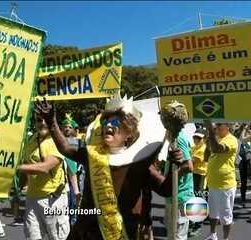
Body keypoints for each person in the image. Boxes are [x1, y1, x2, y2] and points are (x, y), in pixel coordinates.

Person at [34, 95, 182, 239]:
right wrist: (51, 122)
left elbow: (166, 189)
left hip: (121, 232)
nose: (109, 125)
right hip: (87, 230)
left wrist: (175, 167)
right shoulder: (92, 155)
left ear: (129, 133)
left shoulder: (138, 162)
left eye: (116, 122)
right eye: (106, 122)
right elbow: (66, 148)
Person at [17, 118, 70, 240]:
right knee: (32, 236)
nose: (42, 123)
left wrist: (16, 168)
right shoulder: (32, 139)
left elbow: (45, 167)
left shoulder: (56, 140)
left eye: (46, 119)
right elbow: (26, 162)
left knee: (57, 237)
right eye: (39, 120)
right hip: (32, 198)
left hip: (52, 200)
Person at [160, 101, 194, 240]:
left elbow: (188, 166)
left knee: (177, 236)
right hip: (174, 195)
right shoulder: (174, 137)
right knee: (172, 233)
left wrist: (169, 179)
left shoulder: (179, 139)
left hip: (179, 195)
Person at [204, 122, 238, 240]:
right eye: (215, 125)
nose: (216, 127)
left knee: (225, 216)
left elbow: (218, 149)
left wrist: (211, 134)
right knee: (213, 213)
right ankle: (213, 235)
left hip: (225, 185)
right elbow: (206, 157)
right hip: (213, 183)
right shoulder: (216, 137)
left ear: (227, 126)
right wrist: (209, 138)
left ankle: (225, 238)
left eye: (219, 125)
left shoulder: (231, 139)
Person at [60, 114, 82, 226]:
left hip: (76, 179)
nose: (67, 129)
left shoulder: (79, 142)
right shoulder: (58, 142)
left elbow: (74, 166)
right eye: (65, 127)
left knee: (75, 207)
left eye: (69, 127)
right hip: (63, 181)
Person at [189, 128, 207, 235]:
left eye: (199, 137)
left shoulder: (203, 148)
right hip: (194, 174)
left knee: (198, 198)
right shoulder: (194, 147)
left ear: (203, 139)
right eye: (195, 137)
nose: (196, 139)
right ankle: (193, 220)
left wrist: (187, 157)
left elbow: (192, 160)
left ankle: (198, 224)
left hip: (200, 175)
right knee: (193, 197)